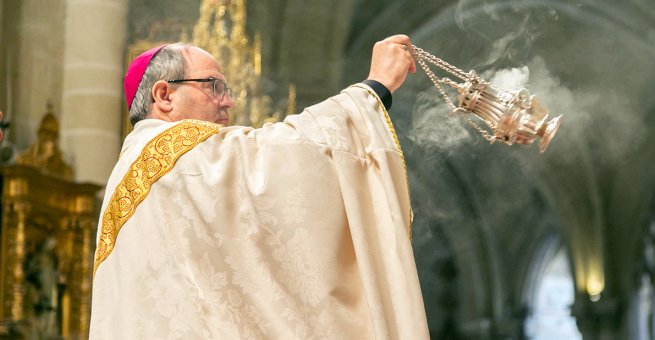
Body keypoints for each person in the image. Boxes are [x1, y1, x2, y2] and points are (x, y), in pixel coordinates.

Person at [89, 34, 429, 339]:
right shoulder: (172, 152)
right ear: (164, 95)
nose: (228, 102)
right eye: (213, 86)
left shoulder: (132, 172)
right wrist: (374, 88)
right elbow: (288, 155)